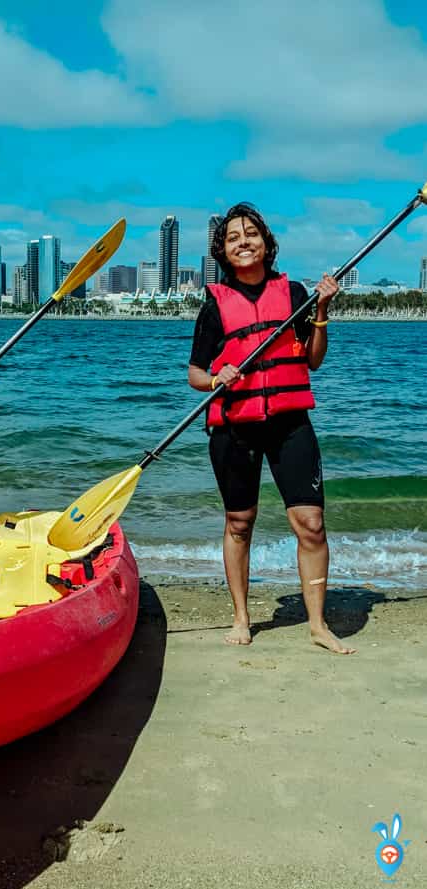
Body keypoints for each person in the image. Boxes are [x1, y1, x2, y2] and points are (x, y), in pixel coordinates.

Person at [187, 203, 354, 654]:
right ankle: (242, 617)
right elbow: (196, 375)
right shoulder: (215, 307)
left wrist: (320, 311)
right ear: (223, 251)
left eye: (251, 234)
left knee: (311, 523)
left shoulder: (294, 293)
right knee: (240, 523)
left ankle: (318, 625)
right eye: (233, 237)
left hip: (289, 423)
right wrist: (218, 377)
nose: (243, 242)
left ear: (266, 242)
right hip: (235, 429)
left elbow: (313, 360)